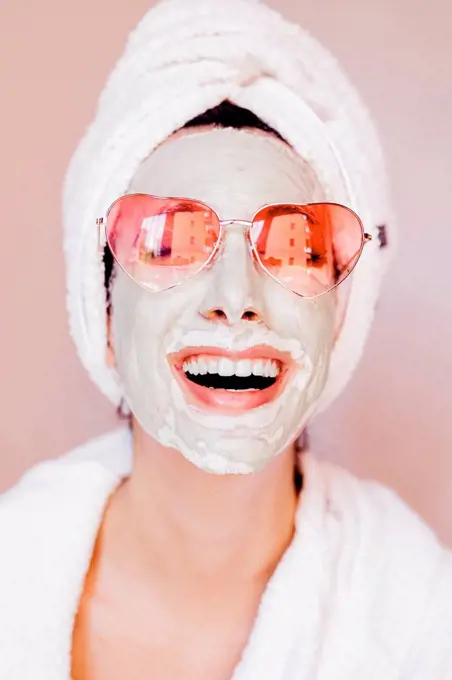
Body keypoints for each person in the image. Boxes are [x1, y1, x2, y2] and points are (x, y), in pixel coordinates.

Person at [1, 1, 451, 678]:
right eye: (171, 241)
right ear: (101, 313)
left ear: (340, 318)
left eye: (294, 245)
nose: (236, 300)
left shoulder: (418, 619)